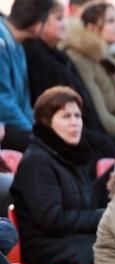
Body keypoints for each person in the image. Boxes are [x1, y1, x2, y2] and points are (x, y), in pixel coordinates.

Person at [10, 86, 105, 264]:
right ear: (47, 122)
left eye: (77, 116)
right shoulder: (37, 162)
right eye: (66, 116)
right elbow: (53, 219)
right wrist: (100, 216)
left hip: (72, 238)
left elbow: (86, 203)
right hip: (45, 246)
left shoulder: (70, 156)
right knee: (112, 252)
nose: (75, 123)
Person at [21, 0, 115, 159]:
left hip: (84, 129)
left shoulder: (60, 56)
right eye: (59, 18)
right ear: (40, 21)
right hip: (65, 131)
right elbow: (49, 105)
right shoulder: (35, 55)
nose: (64, 24)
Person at [63, 2, 115, 142]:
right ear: (91, 27)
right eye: (110, 21)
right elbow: (102, 117)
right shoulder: (81, 58)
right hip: (103, 135)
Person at [0, 0, 45, 152]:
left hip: (12, 124)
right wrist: (33, 133)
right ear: (37, 25)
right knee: (46, 149)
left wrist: (36, 129)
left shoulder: (17, 44)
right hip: (5, 126)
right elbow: (3, 103)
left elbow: (23, 101)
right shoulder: (2, 43)